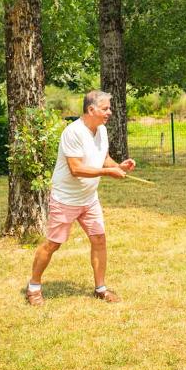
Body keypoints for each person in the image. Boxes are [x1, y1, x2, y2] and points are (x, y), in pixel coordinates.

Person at [25, 90, 136, 306]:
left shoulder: (101, 130)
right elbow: (76, 169)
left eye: (109, 108)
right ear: (91, 109)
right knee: (53, 244)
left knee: (99, 239)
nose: (109, 112)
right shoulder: (73, 132)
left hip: (89, 198)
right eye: (105, 109)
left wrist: (118, 166)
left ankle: (100, 288)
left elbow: (102, 157)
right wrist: (108, 173)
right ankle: (34, 287)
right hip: (66, 198)